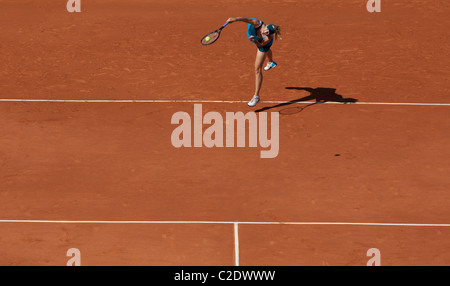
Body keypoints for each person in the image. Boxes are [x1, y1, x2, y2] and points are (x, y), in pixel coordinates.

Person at [226, 17, 282, 107]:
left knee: (257, 69)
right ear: (266, 26)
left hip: (262, 45)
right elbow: (246, 19)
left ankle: (256, 96)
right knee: (267, 51)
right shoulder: (257, 23)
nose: (265, 33)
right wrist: (235, 19)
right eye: (266, 31)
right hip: (254, 33)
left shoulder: (267, 38)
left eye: (268, 34)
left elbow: (260, 44)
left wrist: (254, 40)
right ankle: (271, 62)